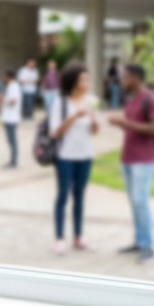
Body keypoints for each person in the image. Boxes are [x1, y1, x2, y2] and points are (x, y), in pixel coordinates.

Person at [106, 63, 154, 263]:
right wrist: (120, 124)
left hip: (144, 160)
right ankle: (139, 241)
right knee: (134, 203)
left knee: (140, 202)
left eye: (126, 77)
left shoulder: (153, 100)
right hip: (127, 158)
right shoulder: (130, 100)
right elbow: (132, 129)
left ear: (136, 78)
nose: (123, 81)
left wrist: (125, 123)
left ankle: (148, 246)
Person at [50, 61, 100, 253]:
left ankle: (78, 237)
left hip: (86, 155)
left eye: (87, 79)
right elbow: (55, 132)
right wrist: (74, 116)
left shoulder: (91, 100)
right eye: (82, 79)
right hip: (65, 156)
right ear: (73, 81)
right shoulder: (60, 102)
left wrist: (93, 120)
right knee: (63, 195)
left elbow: (94, 131)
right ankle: (59, 237)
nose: (86, 82)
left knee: (80, 196)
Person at [0, 68, 22, 167]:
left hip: (11, 118)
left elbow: (13, 101)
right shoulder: (10, 86)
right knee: (10, 139)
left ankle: (13, 161)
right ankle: (12, 160)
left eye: (4, 76)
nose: (3, 78)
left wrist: (2, 100)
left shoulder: (14, 86)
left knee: (12, 140)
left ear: (8, 77)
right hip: (8, 117)